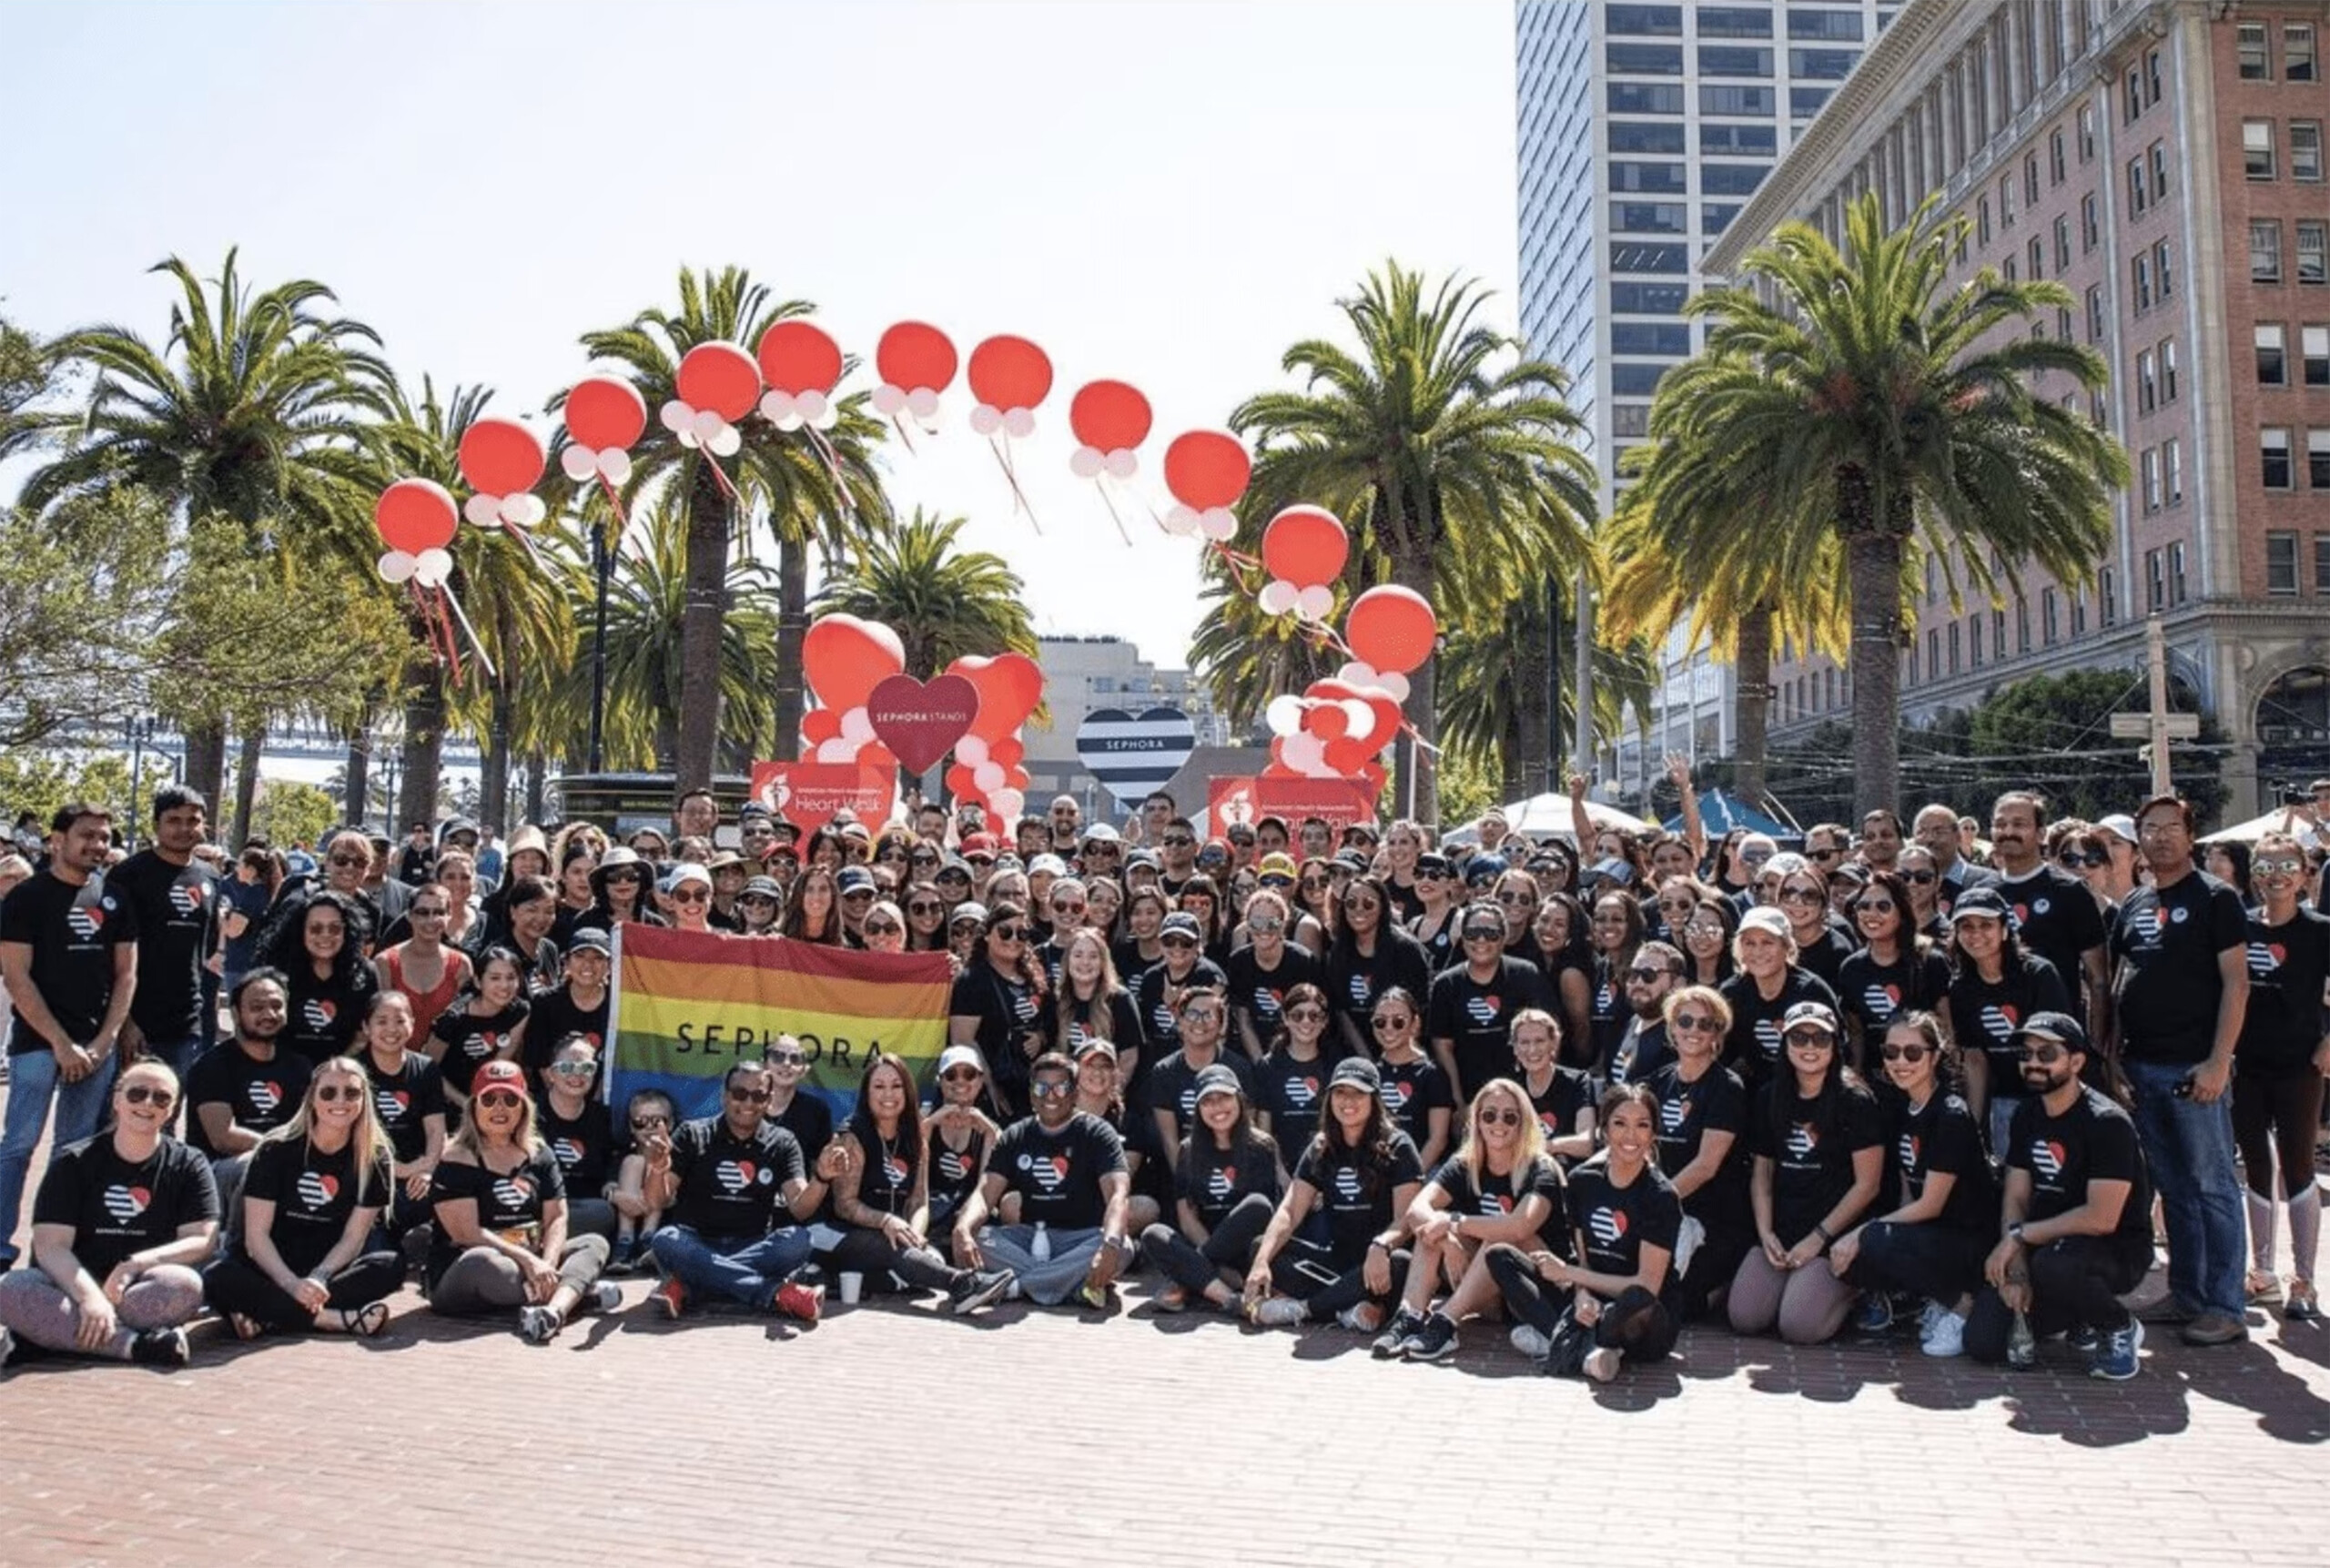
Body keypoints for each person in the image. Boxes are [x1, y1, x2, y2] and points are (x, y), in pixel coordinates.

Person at [2111, 794, 2250, 1347]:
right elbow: (2120, 983)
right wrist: (2114, 1059)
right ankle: (2188, 1293)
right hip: (2141, 1067)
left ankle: (2225, 1303)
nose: (2160, 837)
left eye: (2172, 828)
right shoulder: (2135, 904)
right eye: (2150, 828)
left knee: (2213, 1186)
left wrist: (2219, 1061)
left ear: (2191, 836)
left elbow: (2237, 985)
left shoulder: (2217, 899)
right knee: (2174, 1188)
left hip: (2196, 1070)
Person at [1966, 1012, 2157, 1380]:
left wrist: (2020, 1236)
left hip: (2113, 1250)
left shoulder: (2107, 1123)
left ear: (2077, 1061)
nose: (2034, 1063)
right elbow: (2016, 1197)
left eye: (2046, 1054)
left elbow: (2101, 1218)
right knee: (1984, 1342)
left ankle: (2117, 1325)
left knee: (2057, 1265)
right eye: (2027, 1054)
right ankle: (2079, 1312)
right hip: (2045, 1250)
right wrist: (2017, 1267)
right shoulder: (2027, 1114)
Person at [0, 1060, 215, 1368]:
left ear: (173, 1110)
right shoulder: (73, 1162)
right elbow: (51, 1246)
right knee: (9, 1288)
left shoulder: (189, 1164)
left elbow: (201, 1240)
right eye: (137, 1093)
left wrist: (135, 1264)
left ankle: (49, 1338)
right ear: (116, 1100)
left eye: (161, 1097)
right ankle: (137, 1346)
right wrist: (90, 1298)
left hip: (139, 1289)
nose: (147, 1103)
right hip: (70, 1287)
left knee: (185, 1286)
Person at [0, 803, 137, 1270]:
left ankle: (52, 1252)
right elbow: (17, 978)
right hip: (38, 1045)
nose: (97, 845)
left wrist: (103, 1041)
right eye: (87, 835)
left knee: (74, 1152)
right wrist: (60, 1043)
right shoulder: (26, 898)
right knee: (18, 1145)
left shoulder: (115, 898)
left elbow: (126, 977)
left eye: (104, 836)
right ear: (57, 839)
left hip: (97, 1050)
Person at [1827, 1012, 1998, 1357]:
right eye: (1891, 1052)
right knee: (1854, 1251)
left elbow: (1931, 1204)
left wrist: (1864, 1233)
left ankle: (1960, 1304)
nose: (1900, 1062)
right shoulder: (1905, 1108)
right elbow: (1909, 1194)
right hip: (1932, 1232)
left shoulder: (1950, 1114)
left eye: (1913, 1053)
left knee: (1871, 1239)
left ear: (1935, 1056)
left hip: (1969, 1239)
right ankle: (1928, 1296)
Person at [1486, 1083, 1684, 1381]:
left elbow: (1647, 1286)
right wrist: (1582, 1296)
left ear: (1654, 1133)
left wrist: (1571, 1275)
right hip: (1592, 1299)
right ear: (1604, 1131)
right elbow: (1584, 1258)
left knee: (1636, 1299)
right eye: (1619, 1124)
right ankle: (1588, 1351)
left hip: (1639, 1318)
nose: (1630, 1136)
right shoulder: (1582, 1182)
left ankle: (1565, 1340)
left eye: (1642, 1125)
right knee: (1499, 1255)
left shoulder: (1661, 1196)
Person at [202, 1057, 400, 1339]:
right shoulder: (275, 1149)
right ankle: (332, 1320)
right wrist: (291, 1284)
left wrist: (319, 1276)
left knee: (390, 1265)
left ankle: (269, 1316)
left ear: (364, 1100)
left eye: (352, 1093)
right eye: (329, 1092)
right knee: (218, 1278)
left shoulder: (375, 1156)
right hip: (274, 1261)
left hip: (329, 1265)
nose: (340, 1101)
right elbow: (256, 1238)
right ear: (312, 1099)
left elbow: (353, 1239)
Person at [424, 1060, 617, 1344]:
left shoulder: (540, 1154)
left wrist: (548, 1264)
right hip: (469, 1267)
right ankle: (578, 1294)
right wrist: (529, 1261)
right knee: (485, 1263)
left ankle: (553, 1312)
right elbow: (466, 1234)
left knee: (593, 1243)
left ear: (524, 1107)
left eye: (510, 1099)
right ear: (474, 1107)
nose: (499, 1108)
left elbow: (557, 1217)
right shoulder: (456, 1158)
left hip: (532, 1257)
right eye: (489, 1099)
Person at [1376, 1077, 1568, 1362]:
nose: (1498, 1124)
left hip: (1529, 1290)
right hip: (1481, 1291)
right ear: (1477, 1120)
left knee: (1498, 1234)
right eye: (1489, 1115)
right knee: (1429, 1230)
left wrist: (1453, 1222)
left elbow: (1519, 1226)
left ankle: (1445, 1323)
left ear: (1524, 1122)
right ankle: (1410, 1316)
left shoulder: (1541, 1168)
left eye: (1510, 1116)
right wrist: (1446, 1239)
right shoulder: (1466, 1163)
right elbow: (1417, 1208)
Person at [1728, 1001, 1884, 1345]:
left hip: (1832, 1234)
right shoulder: (1770, 1095)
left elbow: (1868, 1185)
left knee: (1798, 1327)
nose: (1809, 1047)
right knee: (1745, 1317)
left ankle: (1857, 1292)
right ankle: (1794, 1284)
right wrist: (1766, 1231)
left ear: (1835, 1044)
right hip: (1784, 1229)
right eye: (1799, 1037)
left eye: (1820, 1038)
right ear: (1785, 1044)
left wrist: (1819, 1237)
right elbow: (1763, 1171)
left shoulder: (1855, 1100)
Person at [643, 1062, 847, 1320]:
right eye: (739, 1093)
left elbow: (800, 1207)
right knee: (666, 1240)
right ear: (724, 1095)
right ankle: (775, 1294)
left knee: (799, 1240)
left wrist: (822, 1177)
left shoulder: (783, 1142)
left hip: (754, 1244)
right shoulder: (692, 1134)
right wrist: (658, 1169)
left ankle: (690, 1285)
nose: (748, 1102)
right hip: (694, 1241)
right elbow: (655, 1202)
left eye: (759, 1095)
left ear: (769, 1101)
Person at [1242, 1057, 1423, 1334]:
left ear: (1374, 1099)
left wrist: (1381, 1245)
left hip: (1380, 1262)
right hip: (1337, 1263)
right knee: (1262, 1247)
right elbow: (1290, 1211)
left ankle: (1303, 1310)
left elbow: (1406, 1219)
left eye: (1357, 1093)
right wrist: (1261, 1263)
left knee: (1402, 1262)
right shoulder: (1320, 1146)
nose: (1348, 1101)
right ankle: (1348, 1307)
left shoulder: (1399, 1145)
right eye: (1340, 1092)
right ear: (1329, 1098)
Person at [825, 1053, 1013, 1314]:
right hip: (838, 1232)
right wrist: (886, 1221)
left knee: (926, 1259)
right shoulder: (853, 1134)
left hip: (890, 1236)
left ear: (908, 1090)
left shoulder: (915, 1137)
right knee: (899, 1252)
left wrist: (915, 1235)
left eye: (896, 1086)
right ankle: (962, 1285)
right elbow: (844, 1205)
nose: (888, 1094)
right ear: (866, 1093)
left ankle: (841, 1279)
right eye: (879, 1087)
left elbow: (918, 1201)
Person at [2230, 830, 2330, 1319]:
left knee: (2299, 1167)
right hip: (2247, 1064)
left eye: (2287, 867)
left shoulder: (2320, 929)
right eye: (2266, 869)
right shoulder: (2241, 927)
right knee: (2254, 1163)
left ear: (2305, 875)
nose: (2277, 878)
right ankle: (2263, 1271)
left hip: (2300, 1065)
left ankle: (2305, 1280)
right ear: (2253, 878)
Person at [951, 1053, 1133, 1310]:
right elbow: (984, 1193)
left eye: (1061, 1088)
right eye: (1041, 1088)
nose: (1051, 1096)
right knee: (977, 1236)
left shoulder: (1098, 1133)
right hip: (1031, 1239)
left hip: (1082, 1241)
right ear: (1031, 1094)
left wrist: (1110, 1243)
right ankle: (1067, 1284)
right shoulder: (1016, 1134)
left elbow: (1118, 1194)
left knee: (1122, 1245)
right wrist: (963, 1228)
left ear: (1074, 1093)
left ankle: (1014, 1286)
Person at [1140, 1064, 1283, 1313]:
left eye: (1224, 1098)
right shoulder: (1188, 1150)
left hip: (1245, 1251)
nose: (1217, 1108)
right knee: (1154, 1234)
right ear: (1198, 1109)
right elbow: (1186, 1217)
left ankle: (1191, 1279)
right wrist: (1208, 1253)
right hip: (1202, 1238)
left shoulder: (1263, 1147)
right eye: (1208, 1101)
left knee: (1257, 1204)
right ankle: (1230, 1299)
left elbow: (1266, 1215)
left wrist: (1199, 1260)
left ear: (1239, 1100)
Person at [1945, 886, 2072, 1149]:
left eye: (1986, 925)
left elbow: (2059, 1047)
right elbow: (1975, 1060)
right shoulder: (1960, 987)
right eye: (1966, 927)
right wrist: (1975, 1128)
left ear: (2004, 929)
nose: (1976, 934)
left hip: (2051, 1094)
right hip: (2003, 1098)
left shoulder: (2038, 974)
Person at [107, 785, 218, 1081]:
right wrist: (125, 1022)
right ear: (156, 825)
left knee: (167, 1114)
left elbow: (208, 946)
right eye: (174, 820)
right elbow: (107, 956)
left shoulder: (211, 877)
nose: (184, 828)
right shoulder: (128, 875)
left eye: (192, 820)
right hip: (135, 1023)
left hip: (186, 1024)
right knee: (122, 1117)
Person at [185, 969, 312, 1219]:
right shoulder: (212, 1066)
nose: (268, 1014)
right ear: (234, 1013)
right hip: (221, 1171)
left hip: (285, 1163)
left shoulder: (299, 1066)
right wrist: (281, 1153)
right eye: (257, 1007)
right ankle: (233, 1249)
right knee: (252, 1166)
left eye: (277, 1006)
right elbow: (223, 1137)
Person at [1988, 791, 2111, 1034]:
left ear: (2041, 834)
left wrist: (2096, 1045)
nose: (2008, 831)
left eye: (2019, 824)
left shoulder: (2070, 891)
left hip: (2055, 1042)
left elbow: (2098, 979)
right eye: (2000, 824)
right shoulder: (1983, 893)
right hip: (1996, 1036)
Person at [1426, 901, 1549, 1103]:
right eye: (1472, 932)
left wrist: (1539, 1092)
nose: (1481, 939)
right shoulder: (1446, 984)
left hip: (1523, 1093)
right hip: (1468, 1094)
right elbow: (1442, 1047)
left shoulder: (1525, 974)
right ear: (1462, 937)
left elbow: (1546, 1035)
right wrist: (1458, 1104)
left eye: (1490, 933)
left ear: (1504, 937)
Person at [351, 990, 446, 1247]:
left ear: (413, 1024)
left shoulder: (426, 1069)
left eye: (400, 1020)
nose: (391, 1029)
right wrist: (397, 1170)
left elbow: (436, 1130)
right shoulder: (352, 1071)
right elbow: (348, 1136)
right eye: (381, 1021)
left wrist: (427, 1169)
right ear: (366, 1027)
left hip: (417, 1173)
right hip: (365, 1174)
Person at [1835, 869, 1952, 1067]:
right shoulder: (1851, 968)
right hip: (1875, 1080)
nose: (1872, 914)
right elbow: (1856, 1034)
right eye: (1863, 906)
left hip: (1925, 1078)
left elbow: (1947, 1029)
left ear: (1902, 911)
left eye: (1883, 906)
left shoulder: (1930, 962)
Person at [1717, 906, 1839, 1094]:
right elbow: (1722, 1053)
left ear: (1787, 946)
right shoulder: (1732, 992)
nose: (1758, 952)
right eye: (1750, 943)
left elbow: (1838, 1049)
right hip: (1755, 1094)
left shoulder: (1811, 991)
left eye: (1767, 942)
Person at [949, 902, 1050, 1117]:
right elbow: (963, 1041)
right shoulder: (972, 979)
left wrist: (1041, 1037)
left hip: (1032, 1085)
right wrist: (989, 1085)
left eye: (1021, 933)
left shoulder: (1035, 974)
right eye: (1005, 932)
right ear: (986, 935)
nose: (1013, 939)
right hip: (994, 1089)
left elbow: (1048, 1021)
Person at [265, 889, 375, 1065]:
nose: (325, 935)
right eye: (316, 928)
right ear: (300, 930)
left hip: (343, 1073)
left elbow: (364, 1034)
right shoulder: (276, 972)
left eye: (335, 928)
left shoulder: (365, 973)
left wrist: (332, 1070)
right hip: (284, 1072)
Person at [427, 946, 532, 1117]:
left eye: (511, 977)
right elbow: (429, 1068)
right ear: (478, 981)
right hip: (448, 1099)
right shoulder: (453, 1018)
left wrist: (483, 1102)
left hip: (487, 1097)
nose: (504, 986)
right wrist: (464, 1102)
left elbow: (498, 1065)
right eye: (495, 978)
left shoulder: (520, 1012)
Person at [535, 1033, 618, 1241]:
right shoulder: (528, 1115)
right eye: (567, 1068)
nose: (577, 1075)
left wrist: (612, 1183)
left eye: (586, 1068)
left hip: (586, 1205)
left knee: (603, 1212)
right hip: (539, 1206)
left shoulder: (602, 1117)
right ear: (551, 1074)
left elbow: (616, 1155)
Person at [373, 884, 473, 1047]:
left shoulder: (461, 964)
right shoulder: (385, 962)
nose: (431, 920)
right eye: (422, 912)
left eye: (439, 912)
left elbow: (464, 1022)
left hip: (447, 1060)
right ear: (409, 916)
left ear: (449, 916)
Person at [1223, 889, 1318, 1061]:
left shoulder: (1303, 961)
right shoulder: (1239, 961)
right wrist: (1262, 1063)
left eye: (1272, 923)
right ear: (1248, 925)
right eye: (1256, 922)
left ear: (1283, 925)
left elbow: (1308, 1018)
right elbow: (1244, 1021)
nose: (1264, 929)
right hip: (1252, 1049)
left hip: (1296, 1044)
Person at [922, 1045, 1002, 1245]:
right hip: (927, 1211)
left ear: (981, 1081)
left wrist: (990, 1135)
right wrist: (929, 1125)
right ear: (940, 1082)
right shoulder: (923, 1119)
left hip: (967, 1215)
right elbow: (913, 1182)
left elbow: (986, 1193)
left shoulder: (990, 1129)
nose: (960, 1081)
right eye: (951, 1075)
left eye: (969, 1074)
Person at [1371, 986, 1454, 1168]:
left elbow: (1438, 1140)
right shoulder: (1371, 1073)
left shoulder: (1432, 1073)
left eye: (1398, 1022)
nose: (1388, 1028)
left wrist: (1412, 1179)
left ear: (1415, 1024)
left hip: (1422, 1172)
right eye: (1380, 1022)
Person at [523, 927, 612, 1086]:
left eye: (598, 958)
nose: (588, 964)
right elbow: (540, 1064)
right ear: (566, 962)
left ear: (609, 965)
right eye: (580, 956)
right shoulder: (545, 1003)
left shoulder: (618, 1005)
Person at [607, 1088, 674, 1273]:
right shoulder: (621, 1155)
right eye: (640, 1122)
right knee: (633, 1162)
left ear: (670, 1124)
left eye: (658, 1121)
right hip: (628, 1213)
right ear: (631, 1126)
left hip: (660, 1218)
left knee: (659, 1164)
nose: (649, 1128)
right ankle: (624, 1241)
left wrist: (655, 1193)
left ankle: (649, 1239)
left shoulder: (678, 1155)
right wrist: (618, 1196)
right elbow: (607, 1185)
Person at [758, 1035, 833, 1167]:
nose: (786, 1064)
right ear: (765, 1065)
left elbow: (820, 1166)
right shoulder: (749, 1103)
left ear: (804, 1070)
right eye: (778, 1057)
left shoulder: (816, 1111)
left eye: (795, 1059)